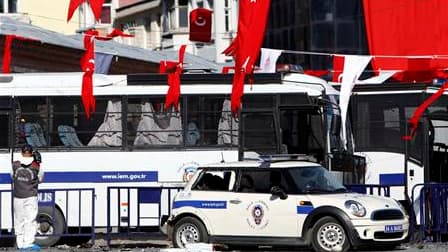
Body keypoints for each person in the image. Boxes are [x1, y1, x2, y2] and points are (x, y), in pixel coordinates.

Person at [11, 144, 43, 251]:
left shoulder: (14, 164)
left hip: (17, 196)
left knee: (19, 220)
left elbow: (11, 176)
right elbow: (41, 178)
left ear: (21, 153)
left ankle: (20, 244)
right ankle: (28, 243)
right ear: (31, 153)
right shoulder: (36, 166)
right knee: (30, 220)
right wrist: (38, 162)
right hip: (30, 196)